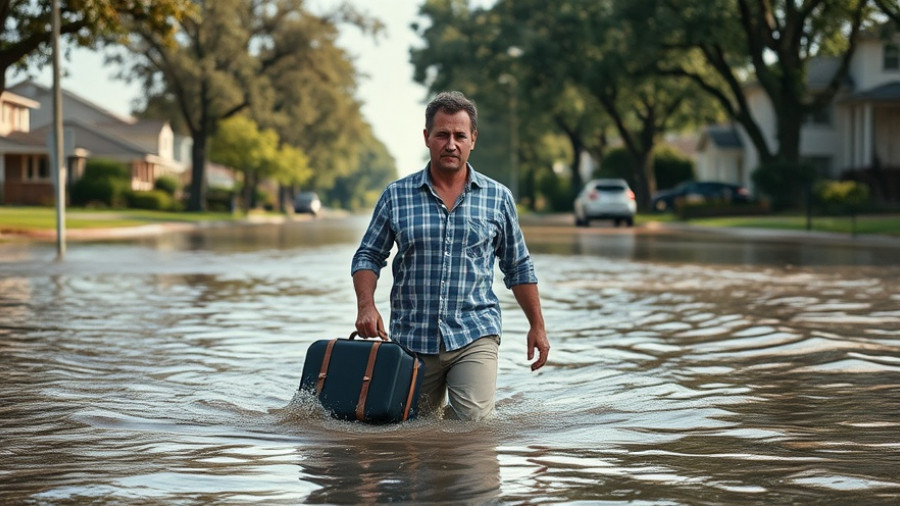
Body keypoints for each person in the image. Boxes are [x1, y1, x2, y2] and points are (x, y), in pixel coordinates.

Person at [351, 91, 549, 421]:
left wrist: (538, 326)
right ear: (427, 137)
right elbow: (368, 255)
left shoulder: (497, 198)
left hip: (475, 332)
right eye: (442, 134)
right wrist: (366, 305)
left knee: (471, 428)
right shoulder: (396, 196)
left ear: (473, 139)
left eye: (459, 135)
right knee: (412, 434)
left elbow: (517, 265)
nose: (451, 143)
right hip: (412, 340)